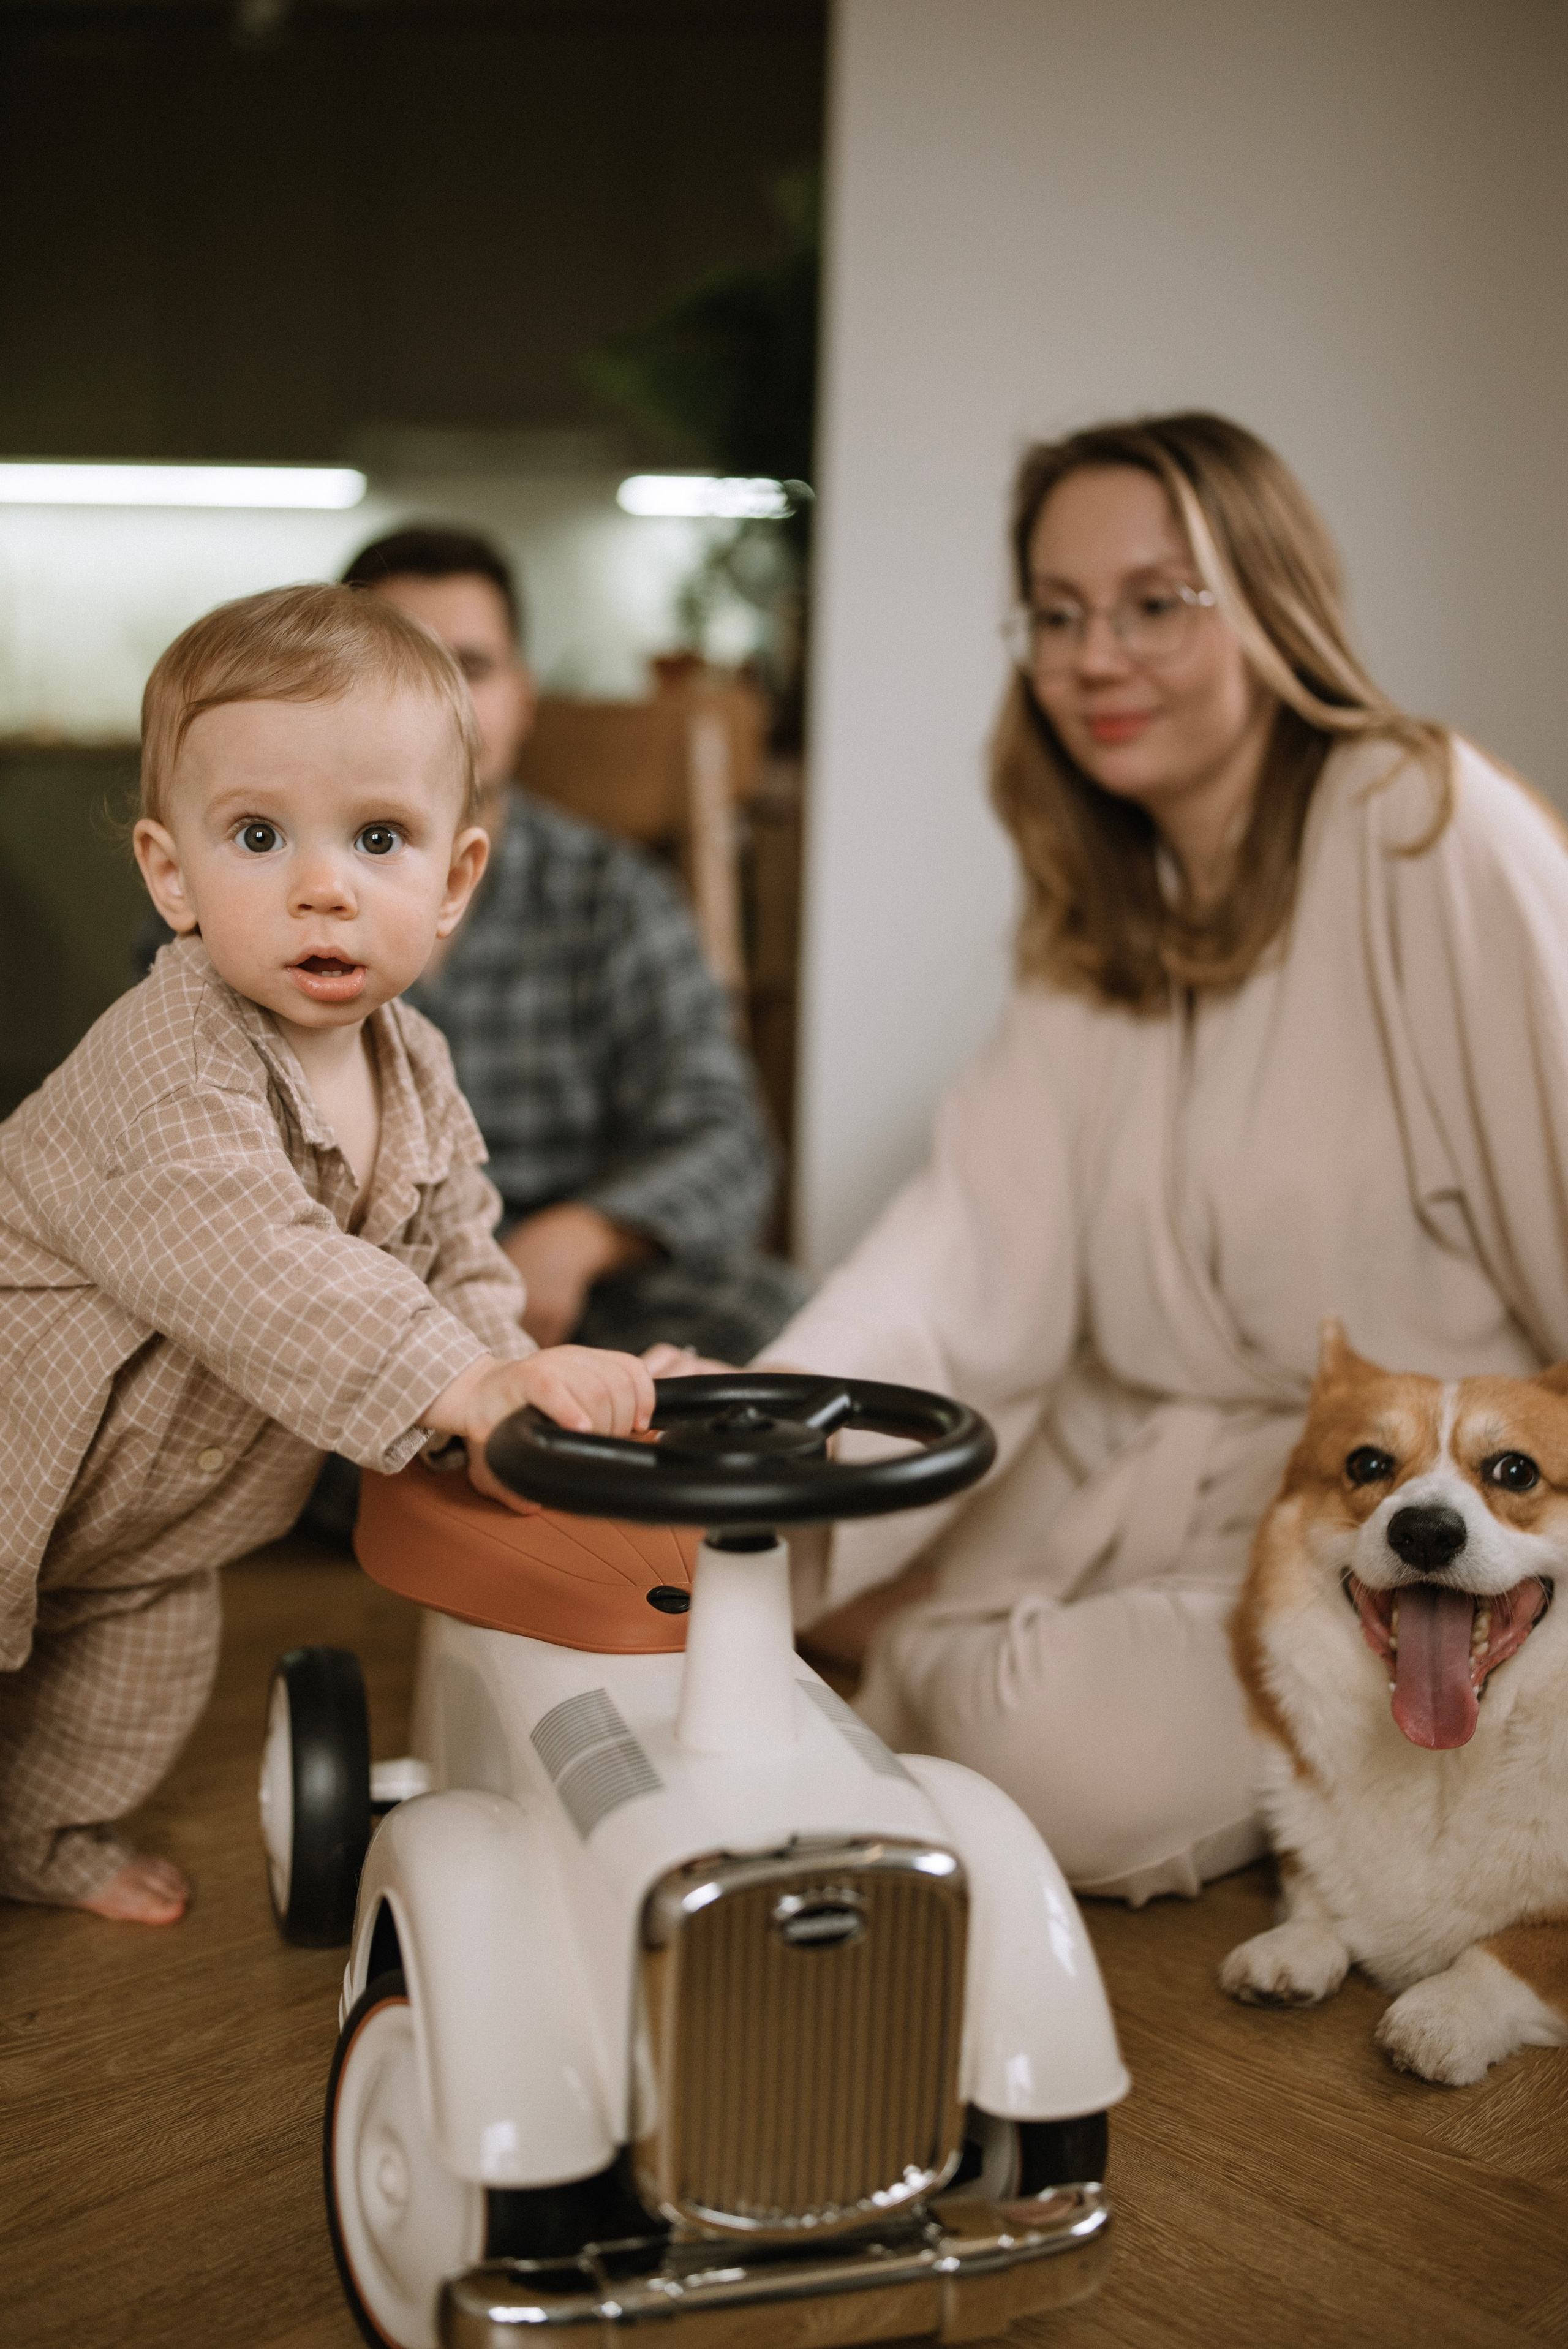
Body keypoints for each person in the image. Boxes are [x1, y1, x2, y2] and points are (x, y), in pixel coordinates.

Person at [761, 410, 1568, 1906]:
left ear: (1268, 602)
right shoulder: (1094, 903)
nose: (1091, 657)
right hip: (1115, 1450)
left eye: (1152, 603)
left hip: (1390, 1513)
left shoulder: (1420, 822)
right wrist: (761, 1422)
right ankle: (909, 1630)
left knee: (1063, 1763)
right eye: (1055, 615)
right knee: (745, 1577)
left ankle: (902, 1642)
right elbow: (960, 1250)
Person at [0, 584, 655, 1925]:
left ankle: (44, 1836)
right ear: (169, 873)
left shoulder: (413, 1066)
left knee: (129, 1686)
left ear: (453, 877)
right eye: (256, 835)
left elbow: (460, 1254)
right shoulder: (167, 1059)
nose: (322, 886)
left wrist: (511, 1388)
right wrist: (450, 1386)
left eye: (377, 837)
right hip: (19, 1443)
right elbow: (252, 1258)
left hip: (157, 1523)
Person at [339, 525, 805, 1363]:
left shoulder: (615, 899)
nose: (442, 704)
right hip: (322, 1298)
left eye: (472, 669)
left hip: (556, 1302)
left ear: (523, 695)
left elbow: (724, 1133)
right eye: (403, 669)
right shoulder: (244, 893)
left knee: (774, 1311)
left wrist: (580, 1238)